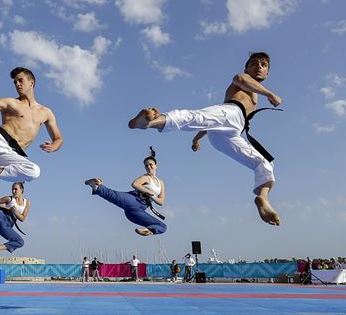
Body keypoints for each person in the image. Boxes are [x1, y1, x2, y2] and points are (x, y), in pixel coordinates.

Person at [128, 52, 282, 225]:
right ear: (246, 68)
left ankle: (262, 199)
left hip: (230, 132)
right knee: (196, 117)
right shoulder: (243, 80)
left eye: (263, 65)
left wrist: (197, 139)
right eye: (254, 63)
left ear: (267, 73)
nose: (259, 66)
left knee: (265, 162)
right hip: (232, 112)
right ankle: (149, 122)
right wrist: (270, 94)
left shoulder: (256, 93)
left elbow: (212, 123)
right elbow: (239, 79)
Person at [85, 147, 167, 237]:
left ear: (156, 166)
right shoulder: (146, 177)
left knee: (163, 226)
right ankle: (95, 185)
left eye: (151, 164)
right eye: (146, 165)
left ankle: (149, 230)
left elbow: (161, 202)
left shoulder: (161, 183)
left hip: (138, 211)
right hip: (134, 199)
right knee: (113, 195)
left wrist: (152, 197)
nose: (148, 167)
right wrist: (148, 191)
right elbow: (135, 184)